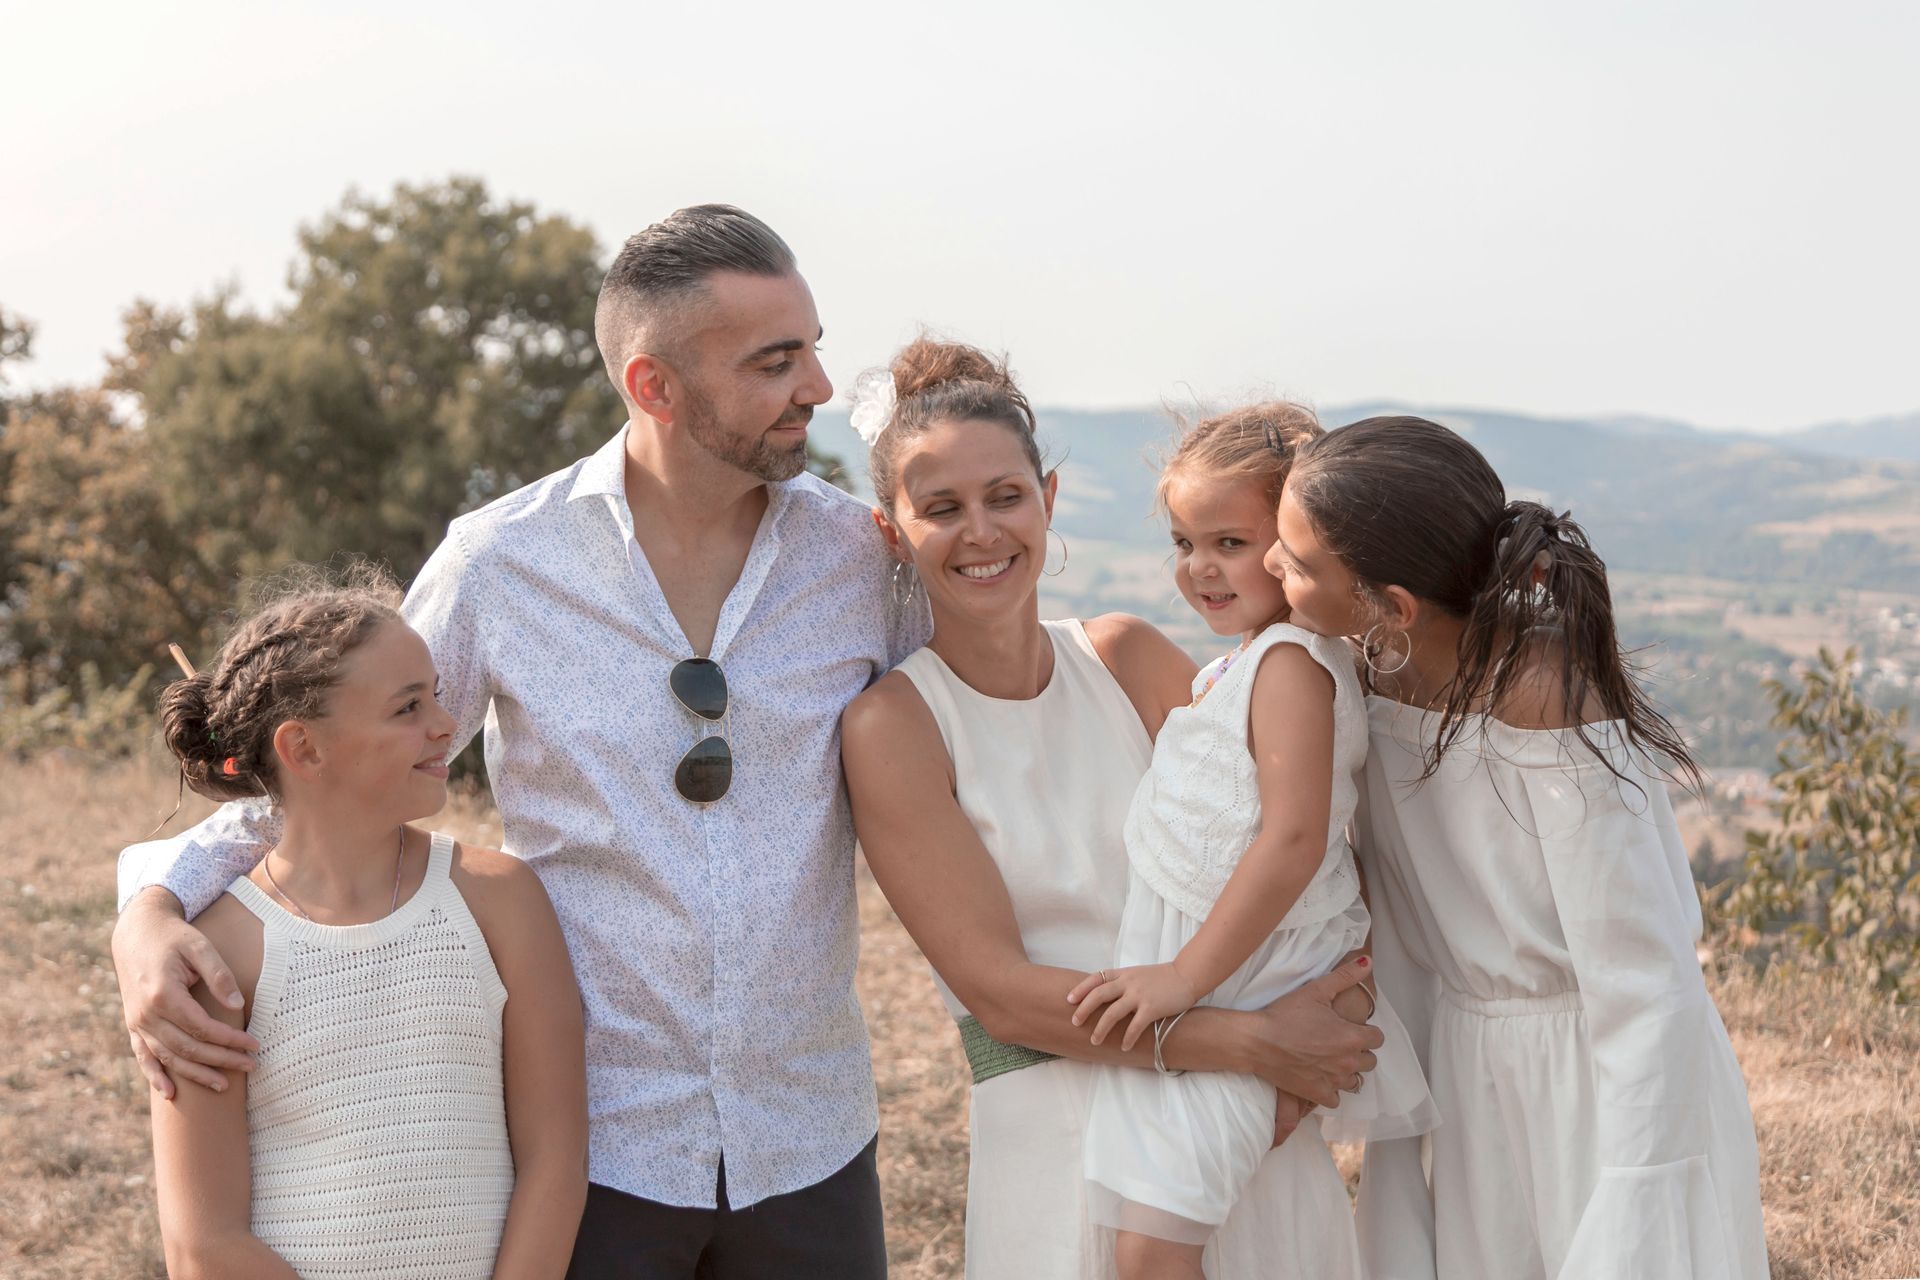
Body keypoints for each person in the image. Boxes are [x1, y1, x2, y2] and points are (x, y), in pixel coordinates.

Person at [114, 205, 925, 1279]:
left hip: (811, 1136)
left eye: (812, 349)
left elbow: (981, 739)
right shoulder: (500, 563)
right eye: (775, 362)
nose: (816, 386)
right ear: (654, 386)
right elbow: (338, 775)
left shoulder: (863, 559)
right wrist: (151, 908)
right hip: (590, 1152)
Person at [841, 367, 1388, 1280]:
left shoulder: (1127, 655)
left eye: (1005, 496)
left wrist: (1309, 1042)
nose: (982, 531)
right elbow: (1003, 995)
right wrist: (1256, 1046)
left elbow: (1304, 832)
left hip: (1246, 1126)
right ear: (891, 532)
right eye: (941, 508)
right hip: (1065, 1137)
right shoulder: (892, 725)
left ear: (1048, 499)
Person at [1274, 415, 1769, 1280]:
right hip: (1466, 1063)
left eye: (1296, 560)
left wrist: (1640, 1181)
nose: (1270, 568)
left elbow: (1641, 971)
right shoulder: (1363, 669)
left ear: (1393, 606)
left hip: (1598, 1075)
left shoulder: (1541, 691)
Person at [1069, 410, 1437, 1280]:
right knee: (1162, 1241)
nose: (1200, 567)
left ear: (1296, 546)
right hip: (1221, 985)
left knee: (1152, 1254)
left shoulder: (1290, 665)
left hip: (1239, 985)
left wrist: (1180, 979)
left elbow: (1295, 837)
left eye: (1230, 542)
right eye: (1184, 542)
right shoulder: (1243, 664)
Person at [147, 568, 585, 1279]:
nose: (445, 724)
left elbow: (555, 1162)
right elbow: (203, 1243)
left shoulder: (501, 902)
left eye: (435, 695)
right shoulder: (217, 956)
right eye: (408, 706)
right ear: (303, 749)